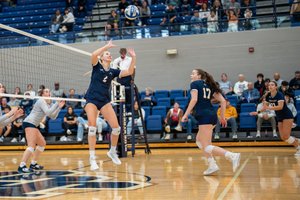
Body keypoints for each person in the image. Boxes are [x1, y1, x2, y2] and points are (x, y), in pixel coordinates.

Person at [84, 40, 136, 170]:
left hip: (104, 101)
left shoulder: (113, 71)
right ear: (102, 58)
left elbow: (129, 71)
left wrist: (133, 57)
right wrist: (106, 46)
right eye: (106, 54)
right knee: (92, 127)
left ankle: (112, 151)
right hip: (91, 99)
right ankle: (92, 158)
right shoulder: (97, 66)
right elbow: (93, 54)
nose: (109, 55)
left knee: (116, 128)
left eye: (109, 53)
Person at [182, 69, 241, 175]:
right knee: (199, 142)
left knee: (206, 146)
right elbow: (223, 101)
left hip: (205, 116)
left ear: (199, 76)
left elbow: (194, 100)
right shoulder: (209, 85)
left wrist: (185, 114)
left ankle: (232, 156)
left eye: (193, 73)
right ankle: (212, 165)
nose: (191, 75)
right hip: (211, 116)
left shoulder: (194, 84)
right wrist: (222, 117)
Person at [18, 88, 65, 173]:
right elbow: (48, 113)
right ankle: (22, 166)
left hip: (34, 125)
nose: (49, 93)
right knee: (31, 146)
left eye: (49, 91)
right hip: (29, 123)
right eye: (46, 91)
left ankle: (33, 164)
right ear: (42, 94)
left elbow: (53, 116)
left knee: (42, 144)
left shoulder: (47, 104)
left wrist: (59, 107)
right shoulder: (40, 100)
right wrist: (56, 104)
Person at [261, 81, 300, 156]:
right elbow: (264, 107)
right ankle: (297, 141)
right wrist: (258, 112)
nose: (270, 86)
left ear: (276, 87)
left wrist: (269, 107)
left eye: (272, 85)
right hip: (279, 117)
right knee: (283, 137)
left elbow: (280, 107)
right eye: (269, 85)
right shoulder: (268, 95)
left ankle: (298, 147)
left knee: (286, 136)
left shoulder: (279, 94)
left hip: (287, 116)